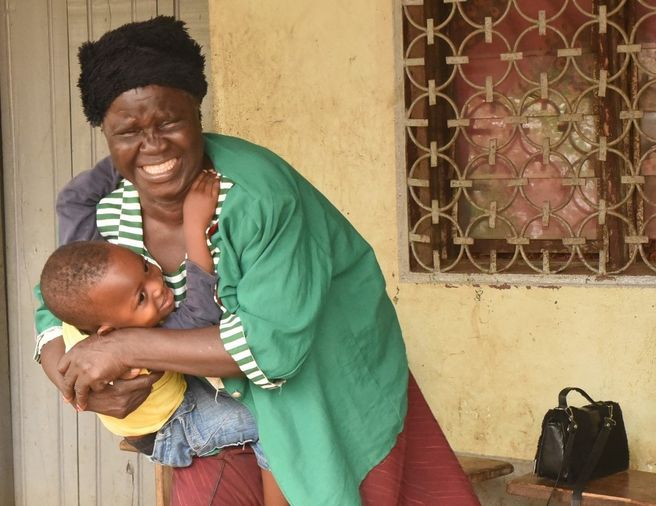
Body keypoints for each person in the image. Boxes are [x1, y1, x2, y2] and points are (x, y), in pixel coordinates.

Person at [34, 15, 480, 505]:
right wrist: (72, 377)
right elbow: (58, 299)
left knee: (319, 482)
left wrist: (122, 349)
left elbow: (273, 352)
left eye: (170, 122)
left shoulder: (257, 198)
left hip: (316, 380)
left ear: (198, 114)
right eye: (129, 131)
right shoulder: (103, 203)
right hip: (212, 404)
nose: (153, 146)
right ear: (106, 134)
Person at [38, 173, 285, 504]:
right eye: (141, 297)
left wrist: (130, 162)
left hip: (168, 401)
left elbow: (73, 202)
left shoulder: (89, 303)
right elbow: (201, 314)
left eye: (144, 265)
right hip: (173, 425)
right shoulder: (136, 340)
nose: (158, 284)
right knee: (274, 423)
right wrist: (194, 229)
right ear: (109, 332)